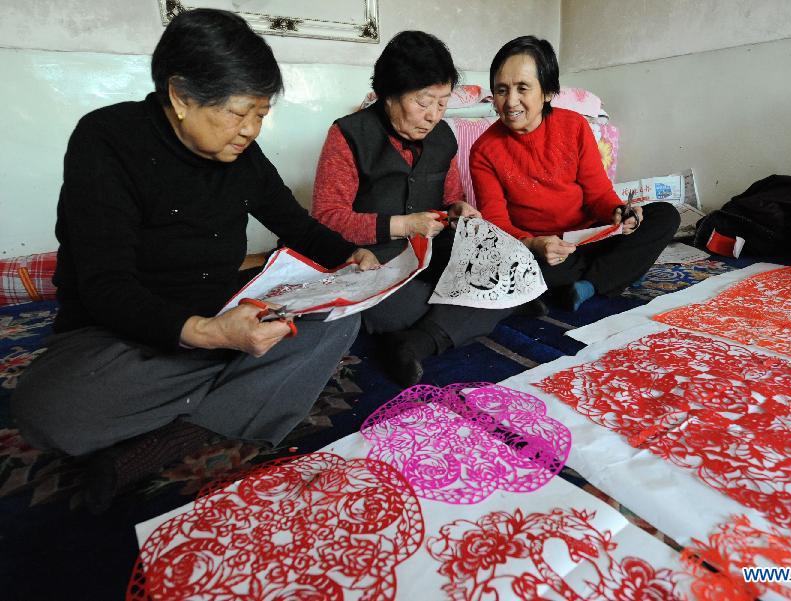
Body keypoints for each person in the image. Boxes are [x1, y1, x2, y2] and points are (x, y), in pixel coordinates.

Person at [10, 9, 378, 510]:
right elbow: (106, 287)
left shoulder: (241, 154)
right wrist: (212, 335)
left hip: (222, 307)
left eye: (261, 115)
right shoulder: (106, 141)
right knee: (47, 409)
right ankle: (228, 404)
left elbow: (294, 223)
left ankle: (174, 436)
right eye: (238, 112)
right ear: (181, 96)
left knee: (337, 319)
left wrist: (350, 257)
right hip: (123, 332)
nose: (249, 130)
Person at [312, 30, 519, 387]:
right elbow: (327, 219)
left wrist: (458, 209)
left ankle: (414, 341)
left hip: (429, 256)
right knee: (410, 306)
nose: (433, 115)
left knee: (510, 269)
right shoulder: (348, 134)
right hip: (373, 263)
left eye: (442, 103)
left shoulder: (443, 137)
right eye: (423, 102)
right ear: (388, 93)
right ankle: (447, 322)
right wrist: (403, 225)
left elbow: (450, 197)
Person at [470, 36, 680, 311]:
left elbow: (599, 195)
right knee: (496, 269)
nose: (510, 102)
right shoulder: (484, 150)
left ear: (546, 92)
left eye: (522, 88)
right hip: (544, 253)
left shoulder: (574, 126)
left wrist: (618, 212)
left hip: (592, 237)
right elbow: (496, 223)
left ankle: (587, 285)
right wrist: (534, 243)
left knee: (664, 215)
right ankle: (617, 272)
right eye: (501, 90)